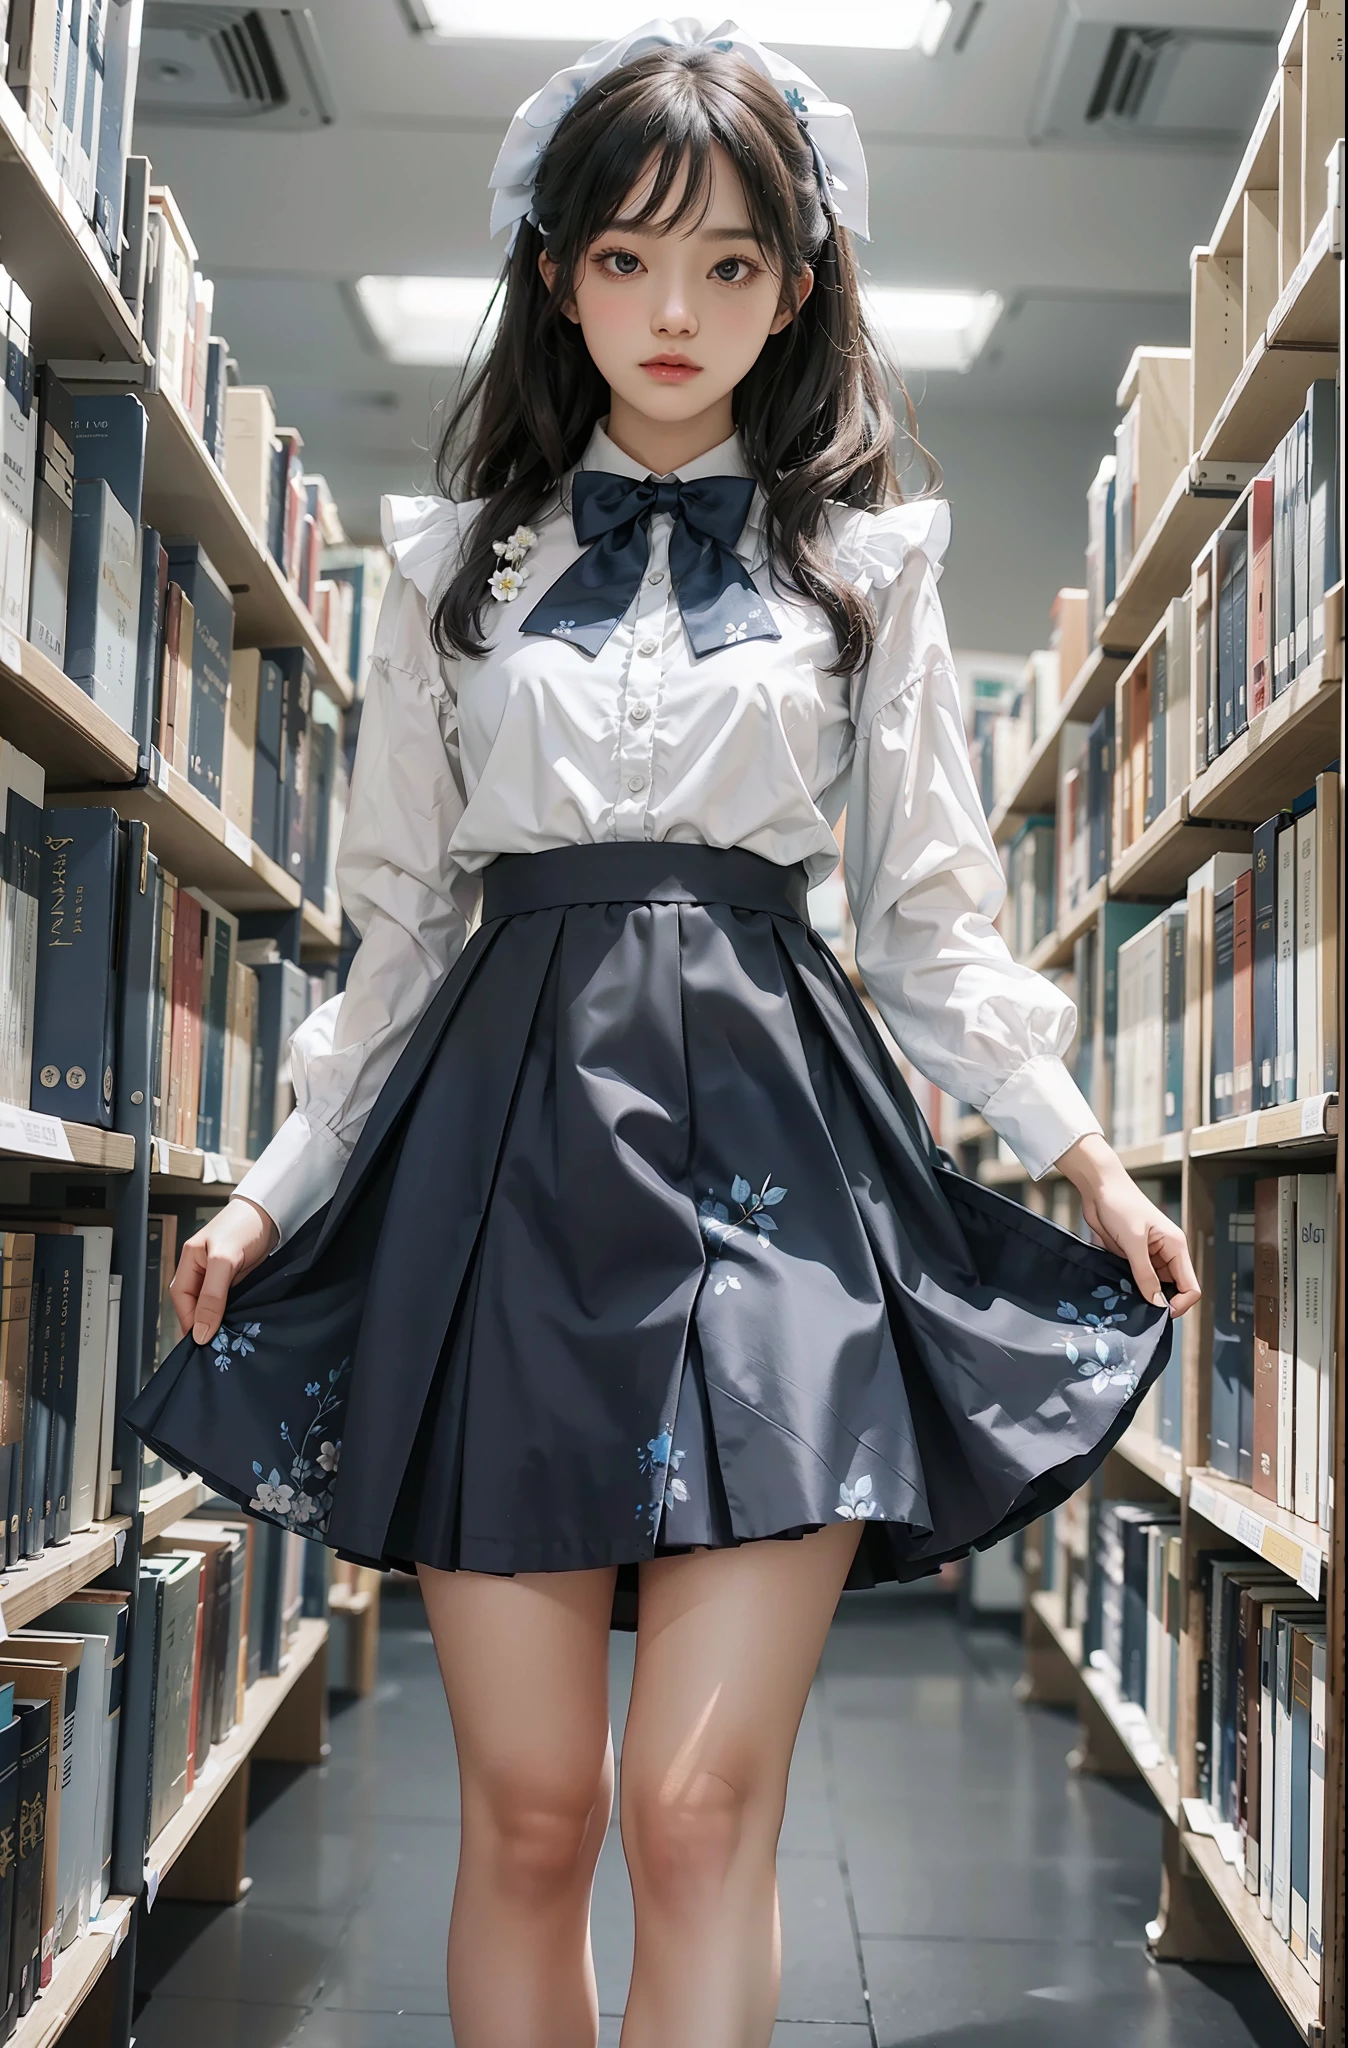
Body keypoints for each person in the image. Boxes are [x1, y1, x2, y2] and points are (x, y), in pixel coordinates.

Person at [128, 22, 1199, 2047]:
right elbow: (402, 931)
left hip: (779, 1172)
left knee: (693, 1811)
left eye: (727, 264)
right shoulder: (446, 568)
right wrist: (275, 1187)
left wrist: (1077, 1148)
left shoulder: (868, 568)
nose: (674, 311)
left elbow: (924, 920)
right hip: (499, 1172)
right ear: (554, 274)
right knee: (532, 1818)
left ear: (798, 285)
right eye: (626, 260)